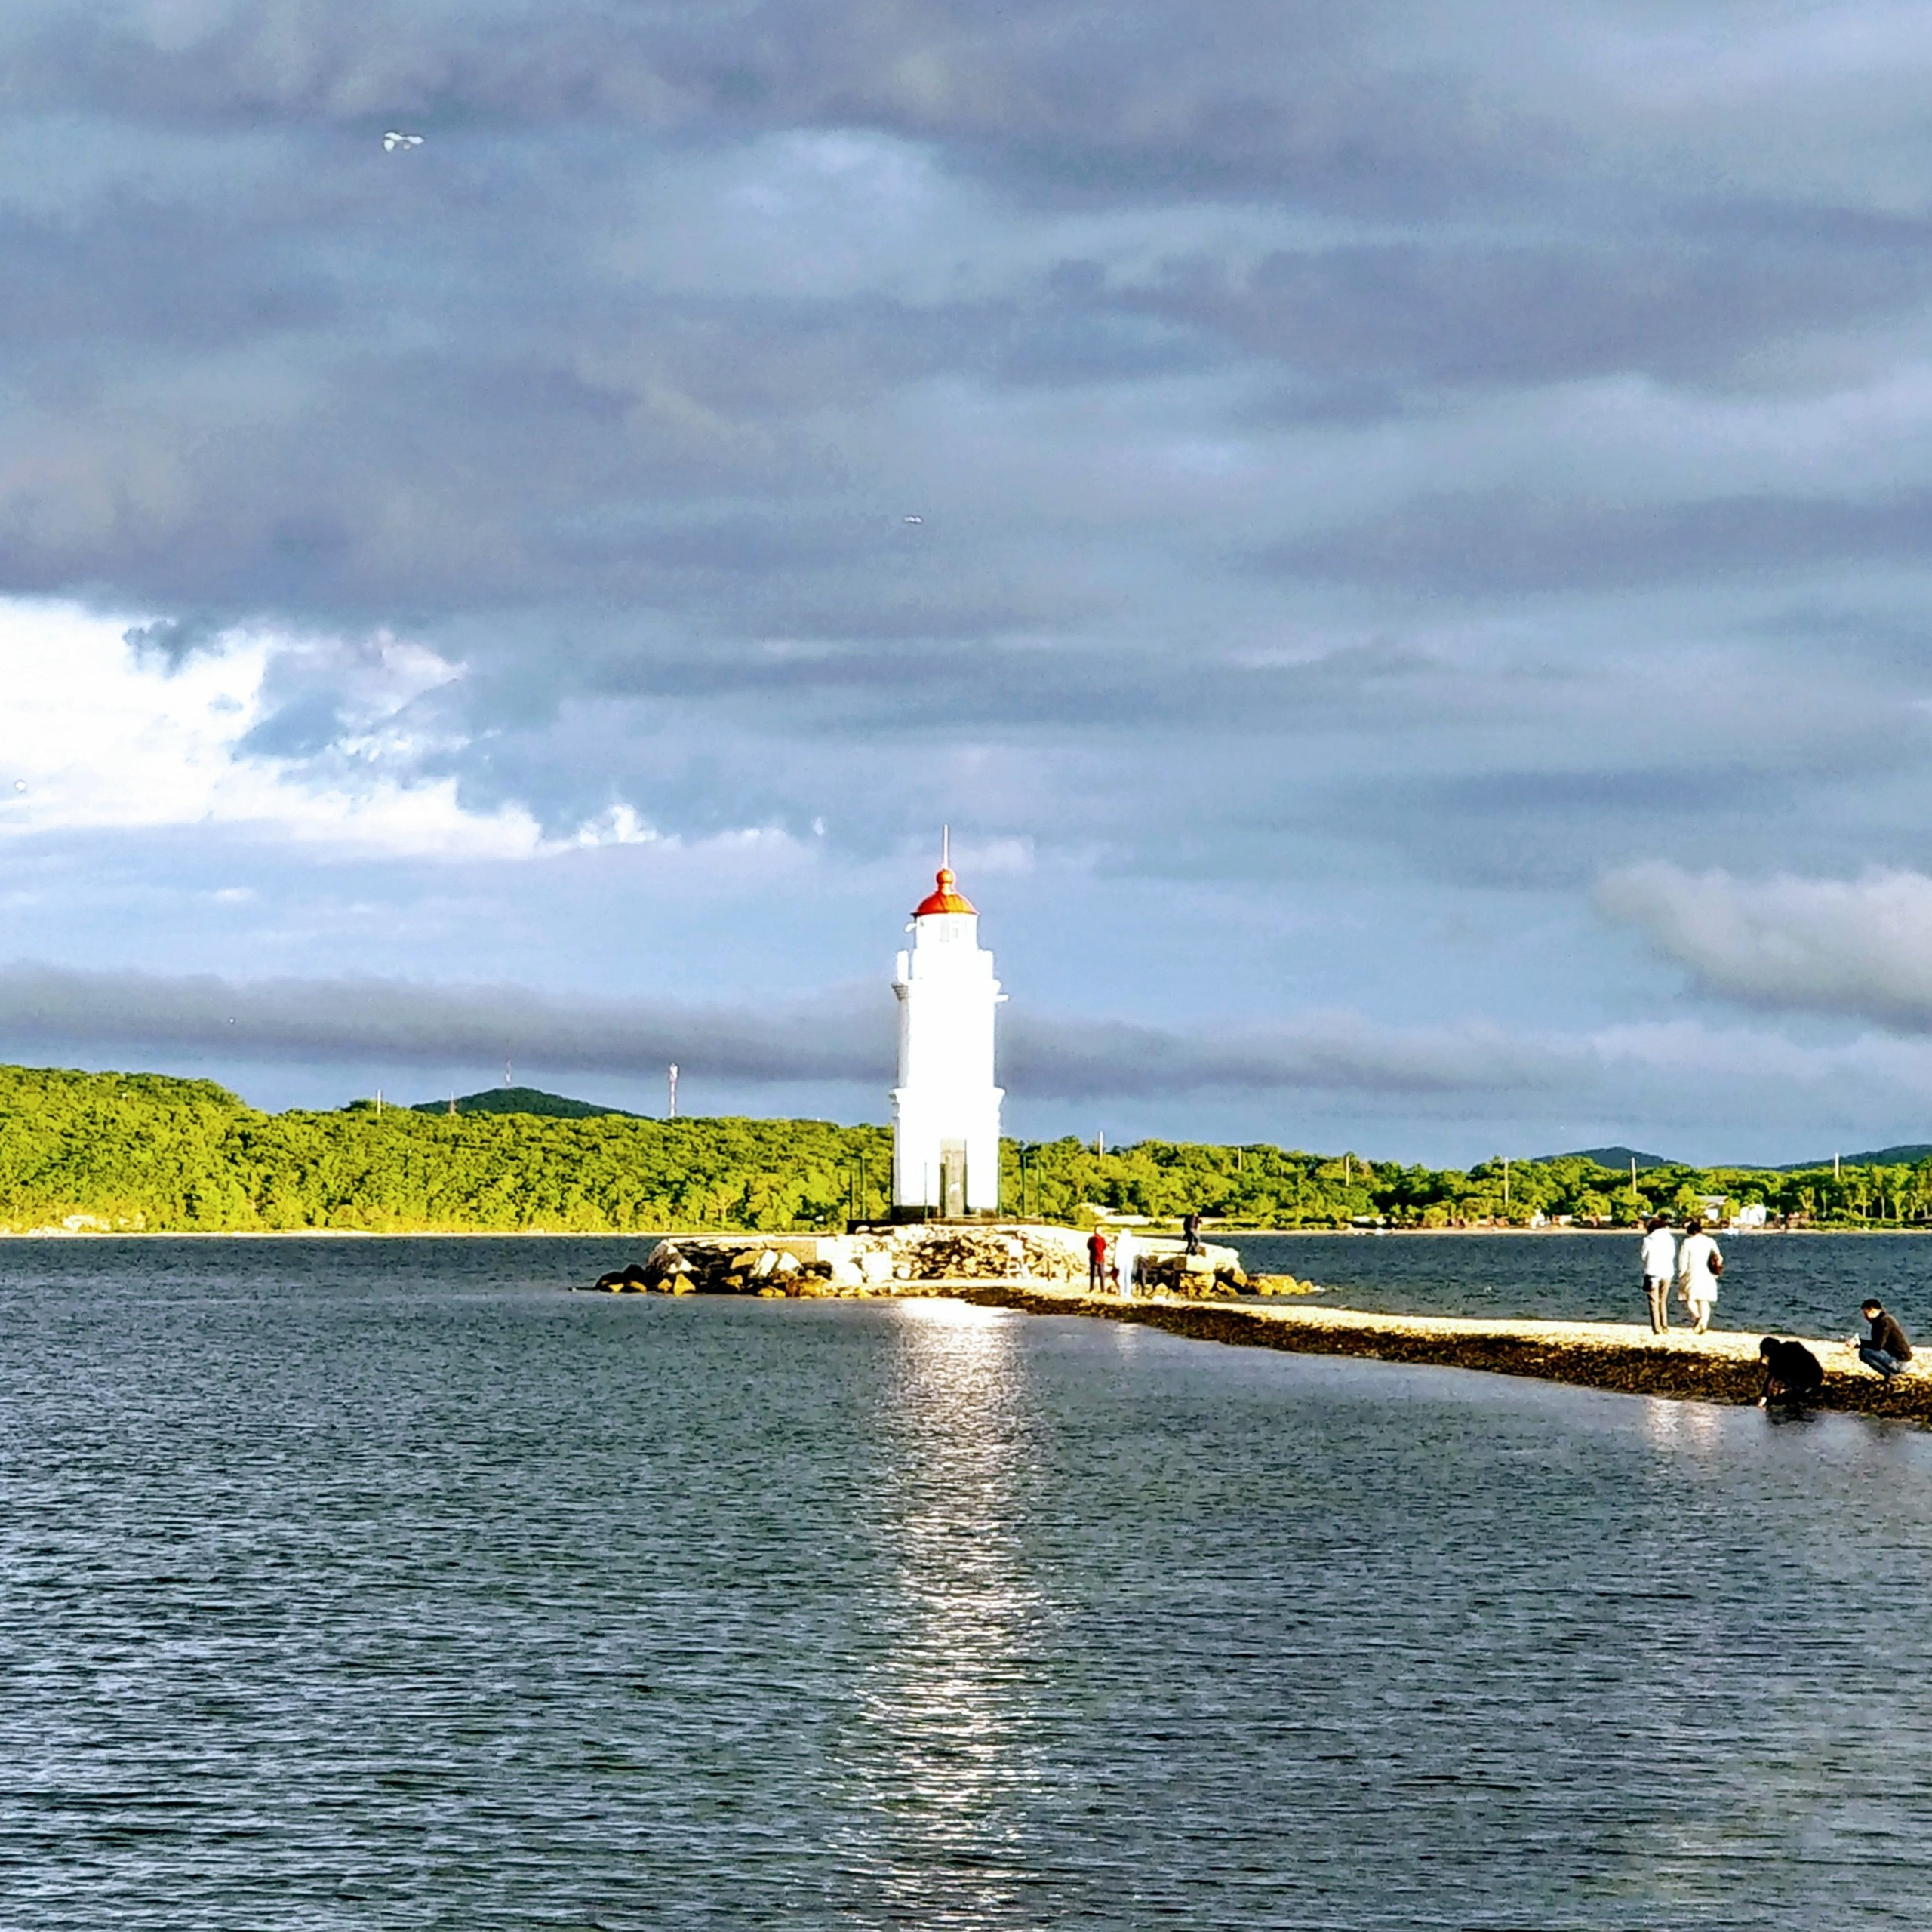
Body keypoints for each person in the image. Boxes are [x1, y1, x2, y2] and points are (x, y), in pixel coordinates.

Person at [1677, 1218, 1724, 1334]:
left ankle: (1697, 1318)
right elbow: (1719, 1257)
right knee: (1704, 1301)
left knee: (1690, 1299)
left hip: (1692, 1272)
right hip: (1708, 1273)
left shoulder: (1688, 1242)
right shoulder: (1710, 1241)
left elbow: (1683, 1261)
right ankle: (1704, 1324)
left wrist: (1681, 1274)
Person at [1852, 1300, 1913, 1379]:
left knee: (1865, 1353)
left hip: (1899, 1362)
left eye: (1866, 1314)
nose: (1865, 1317)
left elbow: (1878, 1346)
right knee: (1865, 1351)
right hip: (1899, 1358)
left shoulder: (1884, 1322)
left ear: (1872, 1311)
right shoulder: (1882, 1320)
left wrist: (1859, 1343)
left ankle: (1890, 1374)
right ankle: (1891, 1374)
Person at [1758, 1336, 1824, 1408]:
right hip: (1818, 1376)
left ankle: (1801, 1397)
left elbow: (1771, 1378)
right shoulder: (1793, 1346)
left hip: (1806, 1382)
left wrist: (1765, 1396)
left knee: (1781, 1400)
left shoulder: (1776, 1358)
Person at [1639, 1215, 1677, 1336]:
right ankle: (1665, 1325)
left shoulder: (1648, 1240)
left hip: (1653, 1273)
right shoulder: (1670, 1239)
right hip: (1667, 1272)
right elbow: (1672, 1254)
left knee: (1653, 1301)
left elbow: (1644, 1256)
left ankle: (1656, 1328)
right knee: (1663, 1300)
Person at [1113, 1229, 1138, 1299]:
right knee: (1126, 1277)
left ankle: (1124, 1292)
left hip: (1124, 1260)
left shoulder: (1121, 1241)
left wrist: (1116, 1261)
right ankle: (1126, 1292)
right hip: (1127, 1260)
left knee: (1123, 1277)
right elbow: (1136, 1250)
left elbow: (1117, 1252)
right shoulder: (1131, 1241)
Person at [1086, 1227, 1109, 1294]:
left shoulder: (1091, 1239)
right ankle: (1103, 1289)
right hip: (1101, 1257)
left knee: (1093, 1274)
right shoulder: (1102, 1239)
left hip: (1093, 1257)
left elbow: (1088, 1247)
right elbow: (1105, 1247)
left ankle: (1091, 1288)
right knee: (1102, 1274)